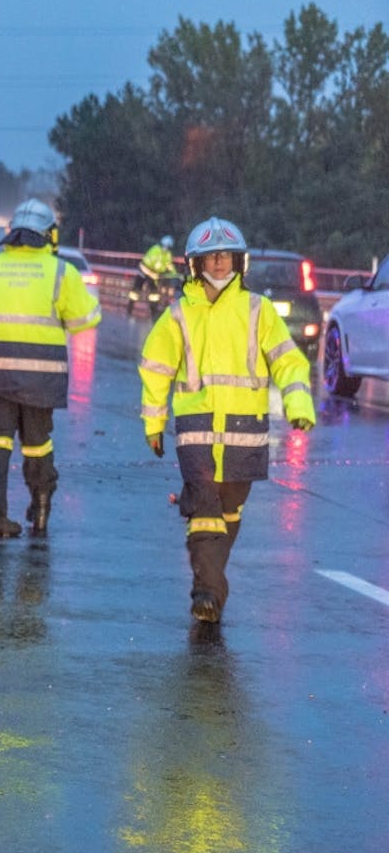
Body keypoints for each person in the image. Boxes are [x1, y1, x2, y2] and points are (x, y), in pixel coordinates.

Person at [137, 216, 315, 624]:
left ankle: (211, 582)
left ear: (239, 261)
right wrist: (153, 422)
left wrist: (298, 405)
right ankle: (207, 592)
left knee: (229, 512)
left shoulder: (259, 310)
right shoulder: (179, 314)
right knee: (203, 506)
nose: (219, 264)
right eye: (211, 257)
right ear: (195, 264)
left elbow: (288, 361)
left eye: (226, 256)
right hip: (196, 431)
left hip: (244, 432)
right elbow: (155, 368)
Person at [0, 198, 101, 538]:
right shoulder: (61, 272)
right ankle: (40, 507)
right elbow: (87, 319)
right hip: (42, 377)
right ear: (48, 235)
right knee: (37, 443)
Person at [129, 235, 179, 310]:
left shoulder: (168, 254)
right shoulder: (155, 250)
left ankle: (154, 314)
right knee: (135, 292)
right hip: (143, 273)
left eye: (168, 247)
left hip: (154, 275)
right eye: (166, 246)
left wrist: (175, 273)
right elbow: (144, 265)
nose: (166, 248)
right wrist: (151, 274)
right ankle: (129, 310)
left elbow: (169, 264)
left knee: (154, 294)